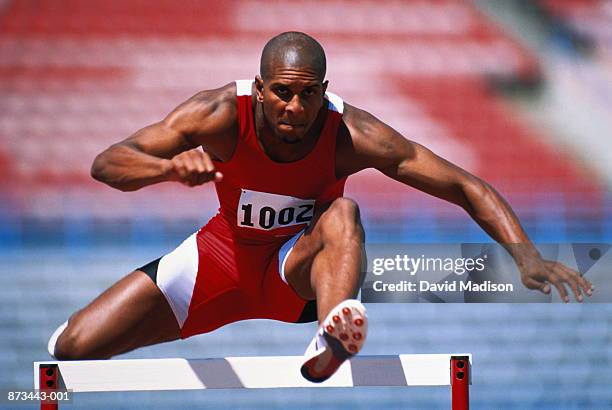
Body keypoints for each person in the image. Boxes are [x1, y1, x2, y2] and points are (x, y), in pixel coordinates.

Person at [47, 31, 593, 383]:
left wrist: (525, 255)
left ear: (324, 89)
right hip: (220, 262)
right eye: (283, 92)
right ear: (259, 88)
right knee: (71, 350)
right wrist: (167, 169)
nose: (295, 107)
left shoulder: (350, 133)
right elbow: (109, 162)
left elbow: (465, 186)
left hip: (297, 273)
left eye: (309, 94)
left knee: (343, 214)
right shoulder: (216, 113)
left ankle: (333, 335)